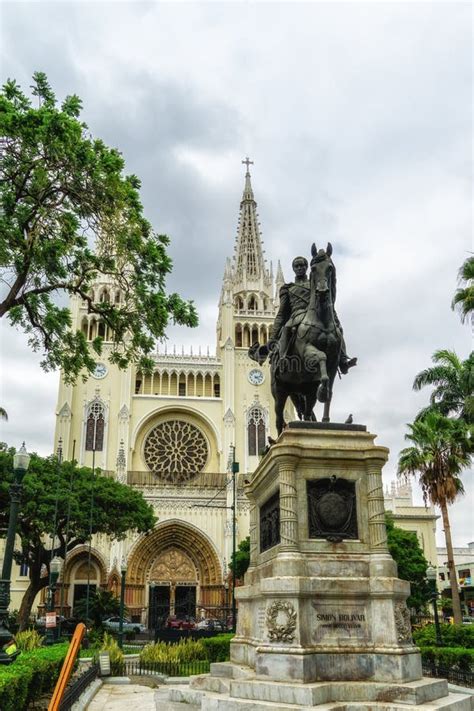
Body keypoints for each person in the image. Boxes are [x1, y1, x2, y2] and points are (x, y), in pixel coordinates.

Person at [269, 255, 356, 373]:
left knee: (337, 328)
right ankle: (283, 359)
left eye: (302, 265)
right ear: (293, 268)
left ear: (306, 267)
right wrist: (273, 338)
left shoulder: (315, 284)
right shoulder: (288, 288)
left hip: (315, 313)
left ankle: (343, 360)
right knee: (287, 328)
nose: (300, 268)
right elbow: (281, 313)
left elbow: (326, 297)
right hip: (297, 315)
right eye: (297, 266)